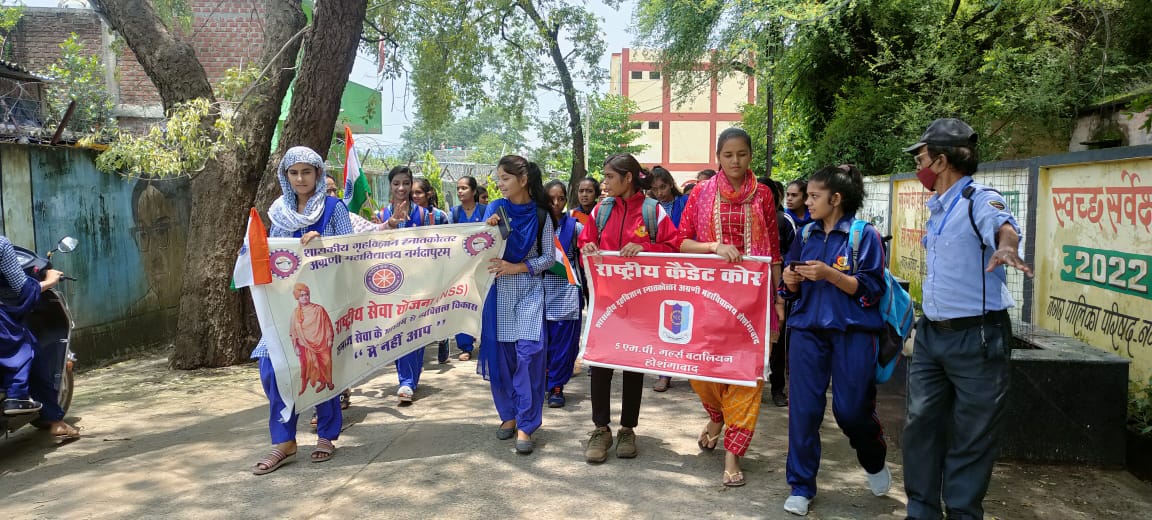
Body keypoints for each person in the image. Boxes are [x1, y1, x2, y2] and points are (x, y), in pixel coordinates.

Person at [901, 118, 1032, 520]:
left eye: (921, 157)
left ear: (940, 161)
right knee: (920, 429)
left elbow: (1004, 228)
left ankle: (961, 513)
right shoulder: (939, 208)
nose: (918, 164)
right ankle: (921, 512)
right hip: (932, 338)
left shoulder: (979, 197)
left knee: (971, 437)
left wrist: (1007, 248)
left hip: (977, 338)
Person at [778, 165, 889, 516]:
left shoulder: (863, 234)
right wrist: (790, 283)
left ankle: (873, 456)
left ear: (836, 199)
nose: (807, 202)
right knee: (804, 411)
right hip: (807, 330)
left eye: (814, 196)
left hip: (853, 331)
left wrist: (830, 275)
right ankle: (800, 485)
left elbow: (871, 289)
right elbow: (787, 288)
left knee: (851, 410)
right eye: (807, 195)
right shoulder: (806, 233)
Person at [678, 128, 782, 487]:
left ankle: (733, 454)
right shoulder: (701, 194)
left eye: (742, 154)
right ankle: (716, 416)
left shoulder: (764, 195)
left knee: (747, 375)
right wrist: (714, 247)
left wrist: (778, 298)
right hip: (708, 300)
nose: (735, 161)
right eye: (728, 155)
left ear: (750, 155)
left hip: (753, 302)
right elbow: (682, 242)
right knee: (701, 370)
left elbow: (774, 251)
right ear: (718, 157)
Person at [251, 146, 353, 475]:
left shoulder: (334, 208)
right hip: (285, 304)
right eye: (293, 173)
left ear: (318, 175)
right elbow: (272, 254)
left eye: (306, 172)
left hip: (323, 303)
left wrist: (324, 243)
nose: (300, 179)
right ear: (285, 176)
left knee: (322, 364)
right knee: (271, 365)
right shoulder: (278, 211)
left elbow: (351, 252)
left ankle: (326, 434)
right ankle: (284, 441)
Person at [578, 153, 682, 463]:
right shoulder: (602, 209)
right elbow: (585, 240)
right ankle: (600, 429)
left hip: (640, 304)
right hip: (606, 302)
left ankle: (627, 429)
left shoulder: (653, 212)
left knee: (633, 365)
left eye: (610, 177)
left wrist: (645, 247)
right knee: (601, 364)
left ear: (627, 178)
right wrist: (590, 246)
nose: (604, 183)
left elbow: (674, 246)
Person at [479, 155, 555, 455]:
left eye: (505, 178)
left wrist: (518, 267)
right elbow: (477, 249)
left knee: (529, 356)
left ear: (523, 180)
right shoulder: (494, 209)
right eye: (499, 178)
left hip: (530, 293)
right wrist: (487, 230)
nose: (500, 184)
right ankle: (508, 416)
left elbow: (549, 257)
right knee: (503, 359)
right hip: (497, 294)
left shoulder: (541, 215)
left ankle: (527, 424)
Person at [377, 167, 433, 404]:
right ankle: (406, 377)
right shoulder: (381, 215)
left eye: (406, 183)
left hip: (418, 281)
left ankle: (408, 381)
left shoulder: (426, 215)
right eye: (396, 183)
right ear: (390, 186)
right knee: (396, 329)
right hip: (389, 283)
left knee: (414, 329)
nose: (401, 188)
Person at [0, 237, 62, 415]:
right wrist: (49, 281)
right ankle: (17, 397)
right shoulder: (2, 244)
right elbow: (23, 290)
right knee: (27, 346)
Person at [646, 166, 688, 392]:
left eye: (663, 187)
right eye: (655, 189)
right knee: (666, 318)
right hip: (661, 271)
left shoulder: (686, 203)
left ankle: (692, 368)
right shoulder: (650, 209)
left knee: (688, 317)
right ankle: (665, 372)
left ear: (670, 184)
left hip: (687, 268)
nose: (660, 193)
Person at [542, 180, 582, 408]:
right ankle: (545, 381)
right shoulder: (538, 225)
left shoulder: (574, 227)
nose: (557, 203)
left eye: (561, 198)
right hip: (540, 292)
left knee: (563, 344)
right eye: (551, 199)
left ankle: (557, 386)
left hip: (567, 294)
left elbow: (588, 252)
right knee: (544, 342)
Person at [764, 179, 797, 407]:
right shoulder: (747, 218)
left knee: (777, 339)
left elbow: (794, 255)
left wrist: (780, 295)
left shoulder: (784, 221)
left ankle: (777, 389)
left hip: (777, 289)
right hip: (749, 290)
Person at [449, 176, 488, 361]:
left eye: (464, 188)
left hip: (484, 265)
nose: (460, 192)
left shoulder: (486, 210)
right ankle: (465, 346)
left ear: (474, 191)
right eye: (458, 188)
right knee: (463, 303)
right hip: (462, 267)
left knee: (484, 302)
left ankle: (486, 342)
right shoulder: (454, 213)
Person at [290, 283, 335, 395]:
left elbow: (327, 325)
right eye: (302, 295)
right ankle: (322, 383)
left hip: (322, 342)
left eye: (307, 295)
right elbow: (293, 331)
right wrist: (295, 347)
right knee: (312, 364)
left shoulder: (319, 309)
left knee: (326, 362)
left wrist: (329, 338)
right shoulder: (296, 313)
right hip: (305, 345)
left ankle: (328, 381)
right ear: (297, 298)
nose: (305, 297)